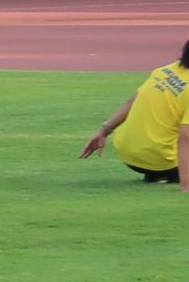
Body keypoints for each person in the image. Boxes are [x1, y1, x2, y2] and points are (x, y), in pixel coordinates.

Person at [79, 39, 189, 190]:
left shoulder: (164, 70)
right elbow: (185, 137)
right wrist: (186, 183)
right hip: (163, 161)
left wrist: (103, 132)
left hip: (128, 154)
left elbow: (132, 101)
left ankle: (159, 175)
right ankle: (165, 174)